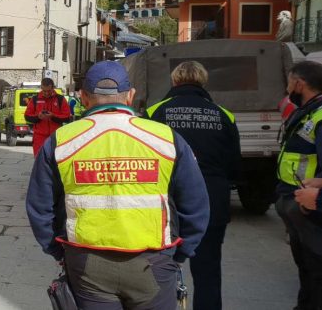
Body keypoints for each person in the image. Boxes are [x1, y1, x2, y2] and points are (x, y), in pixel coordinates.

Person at [26, 61, 210, 309]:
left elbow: (39, 207)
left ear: (83, 98)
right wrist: (180, 254)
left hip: (86, 261)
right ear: (131, 95)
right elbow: (196, 205)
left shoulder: (61, 141)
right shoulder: (166, 138)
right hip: (154, 262)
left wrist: (59, 252)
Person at [145, 61, 241, 310]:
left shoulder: (155, 112)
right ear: (203, 82)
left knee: (156, 267)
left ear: (175, 81)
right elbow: (234, 163)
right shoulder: (224, 114)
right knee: (208, 269)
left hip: (165, 203)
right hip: (211, 199)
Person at [276, 60, 322, 310]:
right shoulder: (309, 111)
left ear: (299, 83)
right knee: (305, 266)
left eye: (289, 81)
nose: (287, 87)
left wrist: (315, 199)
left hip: (310, 205)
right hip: (296, 199)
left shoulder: (320, 114)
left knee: (315, 269)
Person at [24, 78, 71, 156]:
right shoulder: (35, 99)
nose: (46, 93)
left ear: (53, 88)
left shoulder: (60, 99)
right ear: (41, 88)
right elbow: (27, 116)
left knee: (55, 163)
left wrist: (53, 116)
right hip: (39, 137)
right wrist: (38, 117)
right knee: (39, 162)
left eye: (48, 91)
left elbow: (67, 117)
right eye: (44, 90)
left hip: (56, 136)